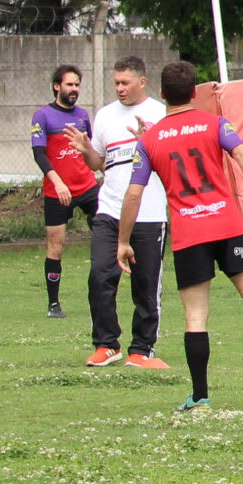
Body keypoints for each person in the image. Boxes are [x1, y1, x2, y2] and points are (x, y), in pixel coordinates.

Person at [118, 60, 243, 412]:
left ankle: (199, 396)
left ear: (162, 94)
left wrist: (123, 241)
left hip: (190, 232)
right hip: (227, 224)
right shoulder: (216, 123)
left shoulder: (148, 141)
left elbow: (133, 194)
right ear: (195, 93)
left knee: (196, 317)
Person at [83, 56, 169, 370]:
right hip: (109, 210)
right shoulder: (105, 115)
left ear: (142, 82)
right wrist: (86, 150)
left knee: (146, 284)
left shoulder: (160, 114)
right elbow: (98, 163)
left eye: (125, 83)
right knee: (100, 276)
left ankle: (142, 349)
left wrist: (149, 141)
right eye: (116, 82)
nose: (119, 88)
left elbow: (171, 163)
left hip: (148, 213)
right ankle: (106, 344)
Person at [31, 65, 100, 318]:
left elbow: (90, 149)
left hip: (88, 188)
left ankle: (105, 293)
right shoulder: (43, 116)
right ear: (56, 86)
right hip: (56, 192)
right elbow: (39, 153)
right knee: (56, 246)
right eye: (69, 84)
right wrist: (58, 182)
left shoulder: (82, 116)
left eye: (77, 85)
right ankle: (53, 304)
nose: (74, 89)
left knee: (108, 236)